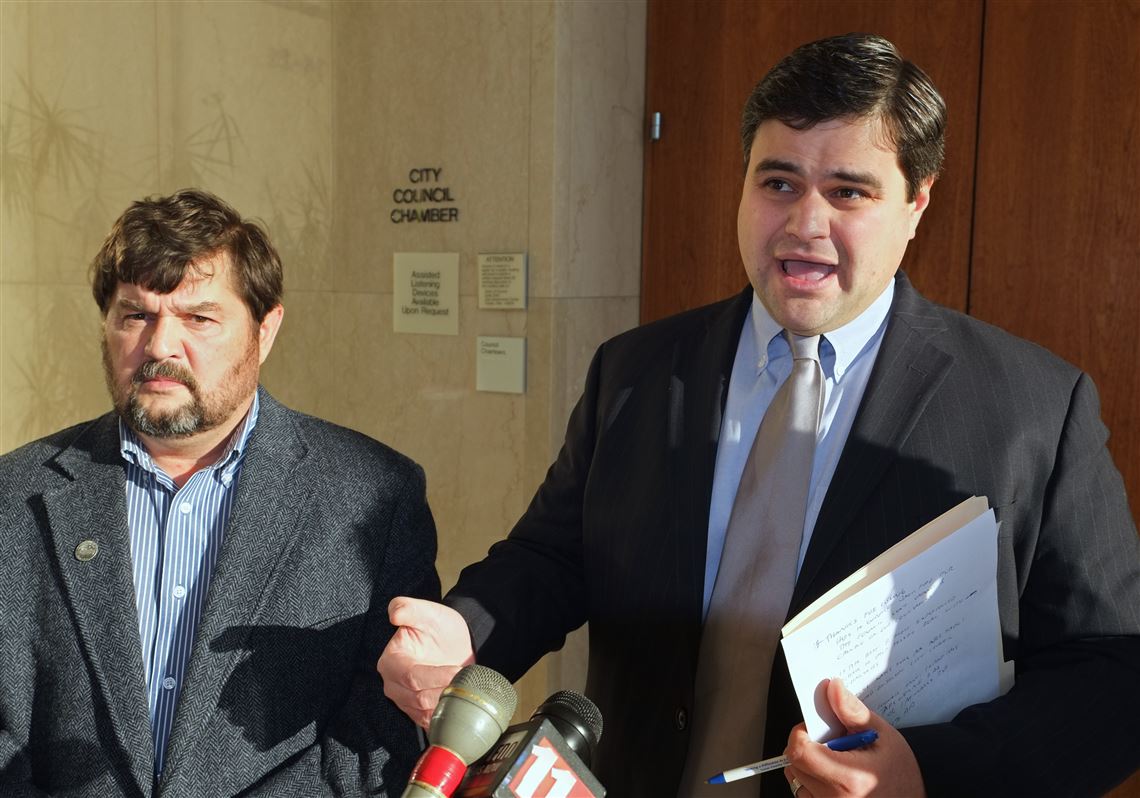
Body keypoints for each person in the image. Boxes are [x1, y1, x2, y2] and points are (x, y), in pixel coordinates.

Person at [378, 34, 1140, 797]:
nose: (805, 223)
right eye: (779, 182)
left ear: (918, 203)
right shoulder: (637, 372)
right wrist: (466, 632)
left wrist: (928, 772)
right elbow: (552, 559)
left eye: (848, 192)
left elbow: (1113, 672)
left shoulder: (1035, 408)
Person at [0, 188, 441, 796]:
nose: (159, 346)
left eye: (199, 319)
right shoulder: (17, 496)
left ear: (265, 330)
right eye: (135, 316)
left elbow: (381, 729)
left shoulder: (372, 496)